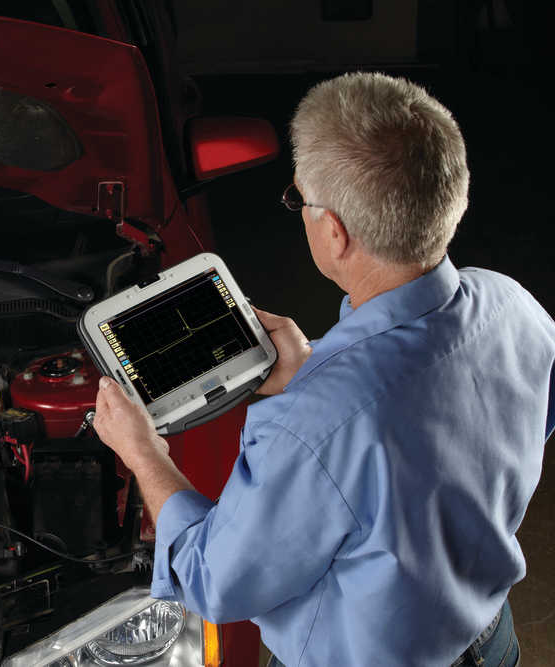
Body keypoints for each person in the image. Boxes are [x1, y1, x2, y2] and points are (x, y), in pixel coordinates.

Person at [93, 71, 555, 667]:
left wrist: (144, 454)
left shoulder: (309, 427)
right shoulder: (514, 306)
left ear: (333, 233)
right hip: (492, 642)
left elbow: (212, 581)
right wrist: (315, 371)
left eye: (299, 201)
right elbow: (485, 437)